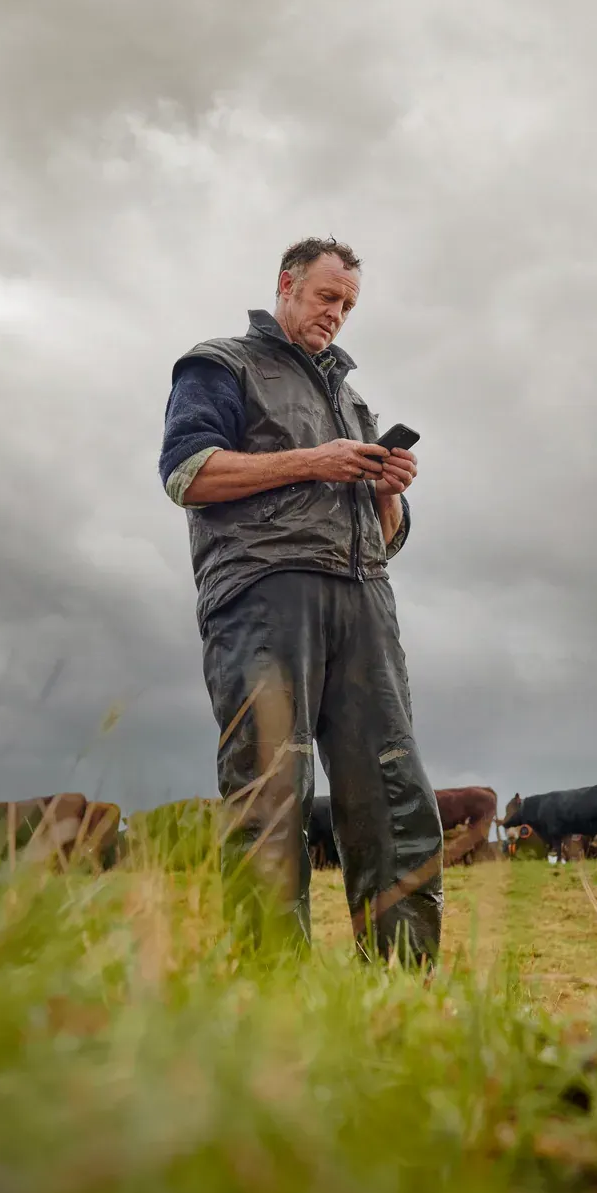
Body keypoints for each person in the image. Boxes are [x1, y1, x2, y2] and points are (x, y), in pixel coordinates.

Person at [158, 237, 442, 962]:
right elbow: (187, 474)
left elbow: (388, 538)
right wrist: (316, 461)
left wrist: (386, 493)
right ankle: (270, 1000)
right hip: (263, 591)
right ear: (286, 285)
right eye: (326, 298)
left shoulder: (353, 401)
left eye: (347, 305)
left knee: (394, 793)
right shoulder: (219, 363)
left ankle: (403, 992)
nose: (336, 315)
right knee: (271, 789)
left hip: (365, 600)